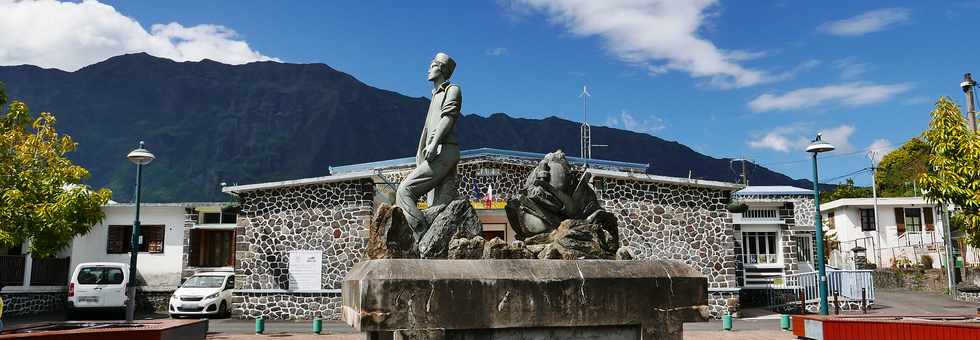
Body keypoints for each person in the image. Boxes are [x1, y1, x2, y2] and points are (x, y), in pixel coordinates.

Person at [395, 52, 462, 240]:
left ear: (441, 67)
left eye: (431, 65)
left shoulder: (452, 90)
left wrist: (434, 143)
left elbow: (448, 118)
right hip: (433, 153)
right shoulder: (434, 96)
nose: (428, 69)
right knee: (438, 204)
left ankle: (421, 235)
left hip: (443, 151)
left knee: (404, 191)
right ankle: (434, 239)